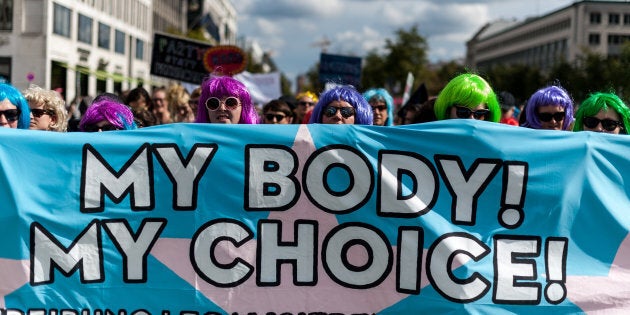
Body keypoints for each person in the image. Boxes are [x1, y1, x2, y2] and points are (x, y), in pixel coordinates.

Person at [433, 73, 500, 122]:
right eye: (463, 112)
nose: (471, 119)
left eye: (479, 114)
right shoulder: (428, 139)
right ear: (447, 111)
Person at [195, 76, 259, 124]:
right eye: (213, 103)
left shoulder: (258, 141)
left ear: (244, 108)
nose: (222, 108)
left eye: (230, 103)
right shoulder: (192, 140)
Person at [308, 85, 373, 125]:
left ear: (359, 117)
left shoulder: (368, 147)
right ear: (320, 116)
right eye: (330, 111)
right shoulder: (306, 145)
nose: (337, 116)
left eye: (346, 111)